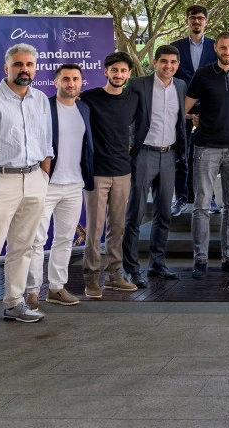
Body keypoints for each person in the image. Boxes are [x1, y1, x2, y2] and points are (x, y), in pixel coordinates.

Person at [0, 44, 52, 332]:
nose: (24, 69)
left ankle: (14, 303)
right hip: (1, 181)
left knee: (23, 247)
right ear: (6, 68)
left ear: (35, 68)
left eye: (29, 64)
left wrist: (43, 176)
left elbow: (47, 141)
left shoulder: (41, 99)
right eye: (18, 64)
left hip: (34, 178)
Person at [184, 31, 229, 278]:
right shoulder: (202, 74)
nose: (227, 52)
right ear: (215, 48)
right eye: (223, 48)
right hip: (206, 147)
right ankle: (200, 260)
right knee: (201, 206)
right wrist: (195, 115)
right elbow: (184, 106)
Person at [79, 52, 146, 298]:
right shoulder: (89, 97)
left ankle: (114, 275)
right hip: (97, 172)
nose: (118, 75)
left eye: (123, 71)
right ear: (105, 71)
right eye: (114, 70)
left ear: (129, 74)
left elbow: (142, 126)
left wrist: (132, 147)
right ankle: (91, 279)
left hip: (122, 171)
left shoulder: (134, 99)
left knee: (117, 227)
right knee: (95, 229)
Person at [25, 64, 93, 308]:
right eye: (65, 79)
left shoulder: (84, 108)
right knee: (36, 240)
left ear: (81, 83)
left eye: (75, 79)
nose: (71, 83)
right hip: (46, 183)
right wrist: (41, 176)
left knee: (64, 239)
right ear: (56, 82)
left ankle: (56, 288)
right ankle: (32, 291)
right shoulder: (44, 108)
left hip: (74, 184)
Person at [123, 46, 187, 285]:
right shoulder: (138, 84)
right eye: (163, 61)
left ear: (178, 64)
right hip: (144, 154)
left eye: (173, 62)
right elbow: (126, 116)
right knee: (136, 213)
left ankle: (157, 264)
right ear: (154, 62)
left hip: (169, 155)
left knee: (164, 214)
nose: (168, 66)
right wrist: (129, 143)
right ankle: (131, 268)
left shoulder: (180, 86)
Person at [171, 4, 217, 216]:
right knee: (181, 157)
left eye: (200, 18)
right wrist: (184, 112)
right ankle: (181, 198)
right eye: (192, 18)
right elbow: (171, 81)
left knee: (209, 159)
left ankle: (210, 199)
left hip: (209, 113)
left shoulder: (215, 47)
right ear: (186, 21)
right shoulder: (175, 47)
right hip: (182, 111)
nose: (196, 21)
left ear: (206, 21)